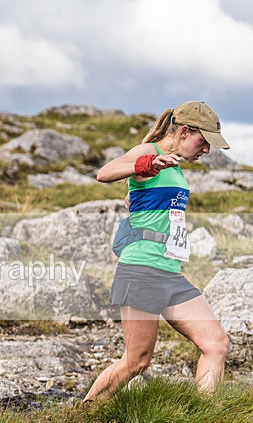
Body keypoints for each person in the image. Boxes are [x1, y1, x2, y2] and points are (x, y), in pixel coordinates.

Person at [84, 101, 230, 401]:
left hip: (170, 273)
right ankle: (83, 414)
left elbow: (139, 198)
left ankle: (208, 417)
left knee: (216, 344)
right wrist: (146, 165)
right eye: (203, 141)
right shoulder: (149, 152)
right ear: (185, 131)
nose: (206, 150)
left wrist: (136, 199)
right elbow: (105, 173)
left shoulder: (175, 167)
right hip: (141, 271)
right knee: (137, 360)